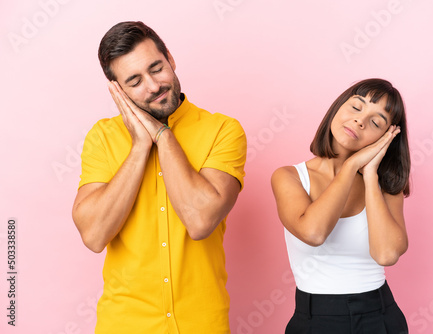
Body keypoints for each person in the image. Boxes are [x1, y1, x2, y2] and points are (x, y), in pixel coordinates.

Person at [72, 21, 246, 334]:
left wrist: (162, 135)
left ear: (170, 59)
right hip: (124, 325)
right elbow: (94, 235)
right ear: (118, 90)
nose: (153, 86)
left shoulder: (223, 130)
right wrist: (140, 146)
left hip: (201, 324)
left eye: (157, 68)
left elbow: (200, 220)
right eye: (135, 81)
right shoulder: (103, 137)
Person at [271, 78, 410, 333]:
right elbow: (313, 232)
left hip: (380, 316)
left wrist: (369, 176)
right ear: (337, 108)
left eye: (376, 122)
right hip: (314, 320)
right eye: (356, 107)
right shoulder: (290, 176)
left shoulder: (387, 186)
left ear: (385, 138)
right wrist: (350, 166)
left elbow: (386, 255)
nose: (360, 121)